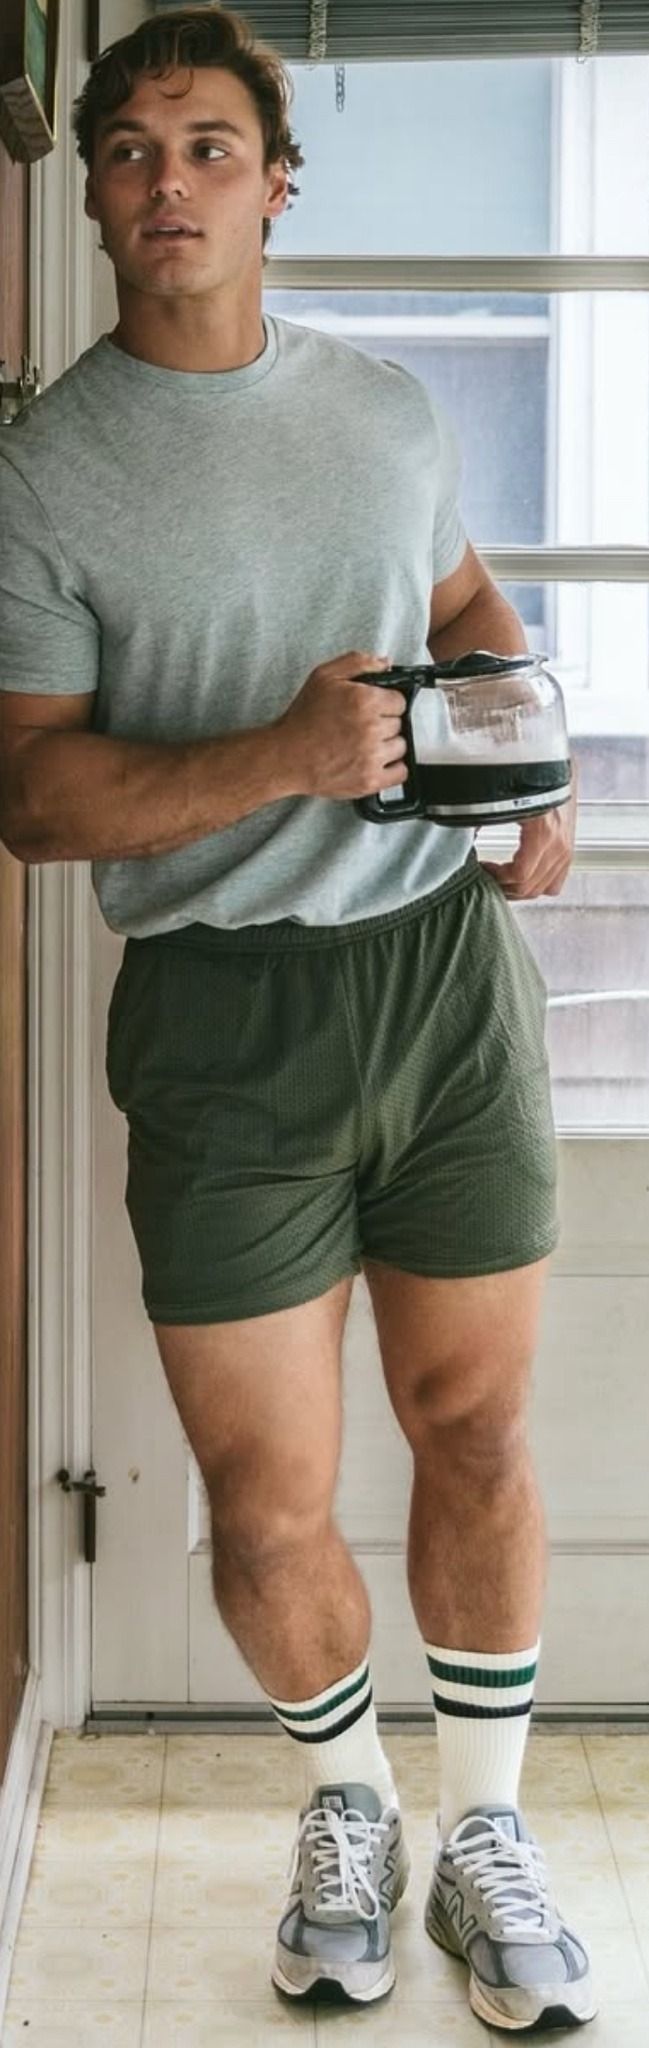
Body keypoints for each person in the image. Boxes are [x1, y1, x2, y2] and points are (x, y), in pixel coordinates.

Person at [0, 4, 596, 2032]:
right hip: (220, 1012)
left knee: (477, 1430)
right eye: (131, 149)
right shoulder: (42, 477)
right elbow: (34, 797)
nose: (167, 181)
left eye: (208, 146)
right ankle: (347, 1807)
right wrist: (279, 753)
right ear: (92, 194)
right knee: (264, 1502)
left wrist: (531, 768)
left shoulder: (384, 412)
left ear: (275, 186)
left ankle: (487, 1835)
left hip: (439, 983)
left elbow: (466, 613)